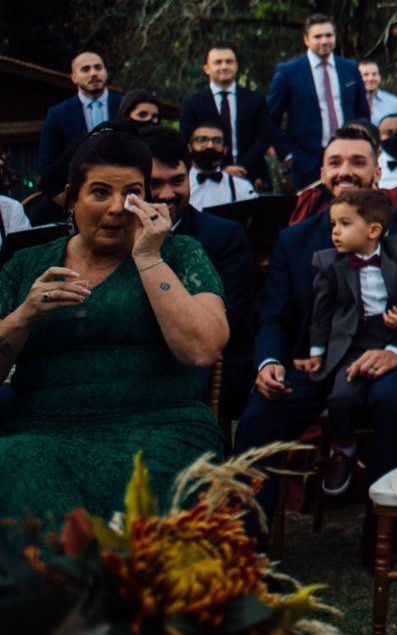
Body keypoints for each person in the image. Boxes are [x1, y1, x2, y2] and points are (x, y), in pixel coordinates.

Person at [0, 125, 227, 521]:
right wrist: (24, 316)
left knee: (147, 478)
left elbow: (203, 349)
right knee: (12, 461)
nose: (118, 207)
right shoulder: (25, 266)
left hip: (162, 427)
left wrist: (149, 258)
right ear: (71, 199)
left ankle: (113, 579)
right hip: (43, 432)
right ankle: (66, 581)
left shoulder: (181, 254)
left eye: (132, 194)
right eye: (101, 192)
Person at [234, 127, 397, 535]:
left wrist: (396, 352)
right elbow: (275, 314)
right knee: (261, 413)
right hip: (317, 359)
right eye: (336, 163)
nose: (345, 171)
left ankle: (378, 535)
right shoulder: (294, 240)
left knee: (394, 397)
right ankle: (245, 549)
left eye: (357, 162)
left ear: (377, 173)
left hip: (392, 355)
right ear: (322, 172)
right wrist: (270, 361)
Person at [301, 187, 397, 497]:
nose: (335, 232)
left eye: (344, 224)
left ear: (373, 230)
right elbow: (322, 311)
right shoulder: (327, 262)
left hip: (391, 335)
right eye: (333, 224)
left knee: (392, 395)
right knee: (341, 396)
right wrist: (317, 352)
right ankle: (345, 448)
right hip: (352, 341)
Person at [141, 125, 255, 423]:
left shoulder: (223, 236)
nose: (168, 194)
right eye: (155, 184)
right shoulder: (117, 239)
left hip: (209, 366)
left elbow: (232, 316)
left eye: (178, 181)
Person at [267, 14, 371, 185]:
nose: (324, 41)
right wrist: (286, 153)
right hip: (306, 161)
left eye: (329, 36)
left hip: (348, 156)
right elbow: (270, 118)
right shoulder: (289, 72)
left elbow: (363, 113)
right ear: (306, 39)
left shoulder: (350, 68)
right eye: (318, 36)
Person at [178, 44, 272, 182]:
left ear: (236, 66)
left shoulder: (255, 99)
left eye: (229, 61)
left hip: (252, 175)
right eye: (218, 62)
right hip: (209, 177)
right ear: (206, 68)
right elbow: (187, 141)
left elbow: (264, 138)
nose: (224, 66)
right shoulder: (192, 104)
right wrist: (222, 168)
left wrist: (242, 167)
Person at [35, 51, 123, 182]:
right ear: (74, 77)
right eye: (85, 69)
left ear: (106, 72)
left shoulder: (124, 105)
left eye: (98, 67)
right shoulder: (58, 115)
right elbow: (47, 166)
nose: (93, 73)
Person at [186, 122, 259, 210]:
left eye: (217, 141)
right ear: (189, 148)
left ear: (225, 150)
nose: (210, 146)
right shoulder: (179, 185)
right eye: (202, 140)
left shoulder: (241, 187)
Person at [360, 60, 397, 127]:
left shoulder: (393, 102)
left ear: (379, 76)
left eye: (374, 74)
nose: (371, 78)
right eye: (365, 75)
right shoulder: (351, 103)